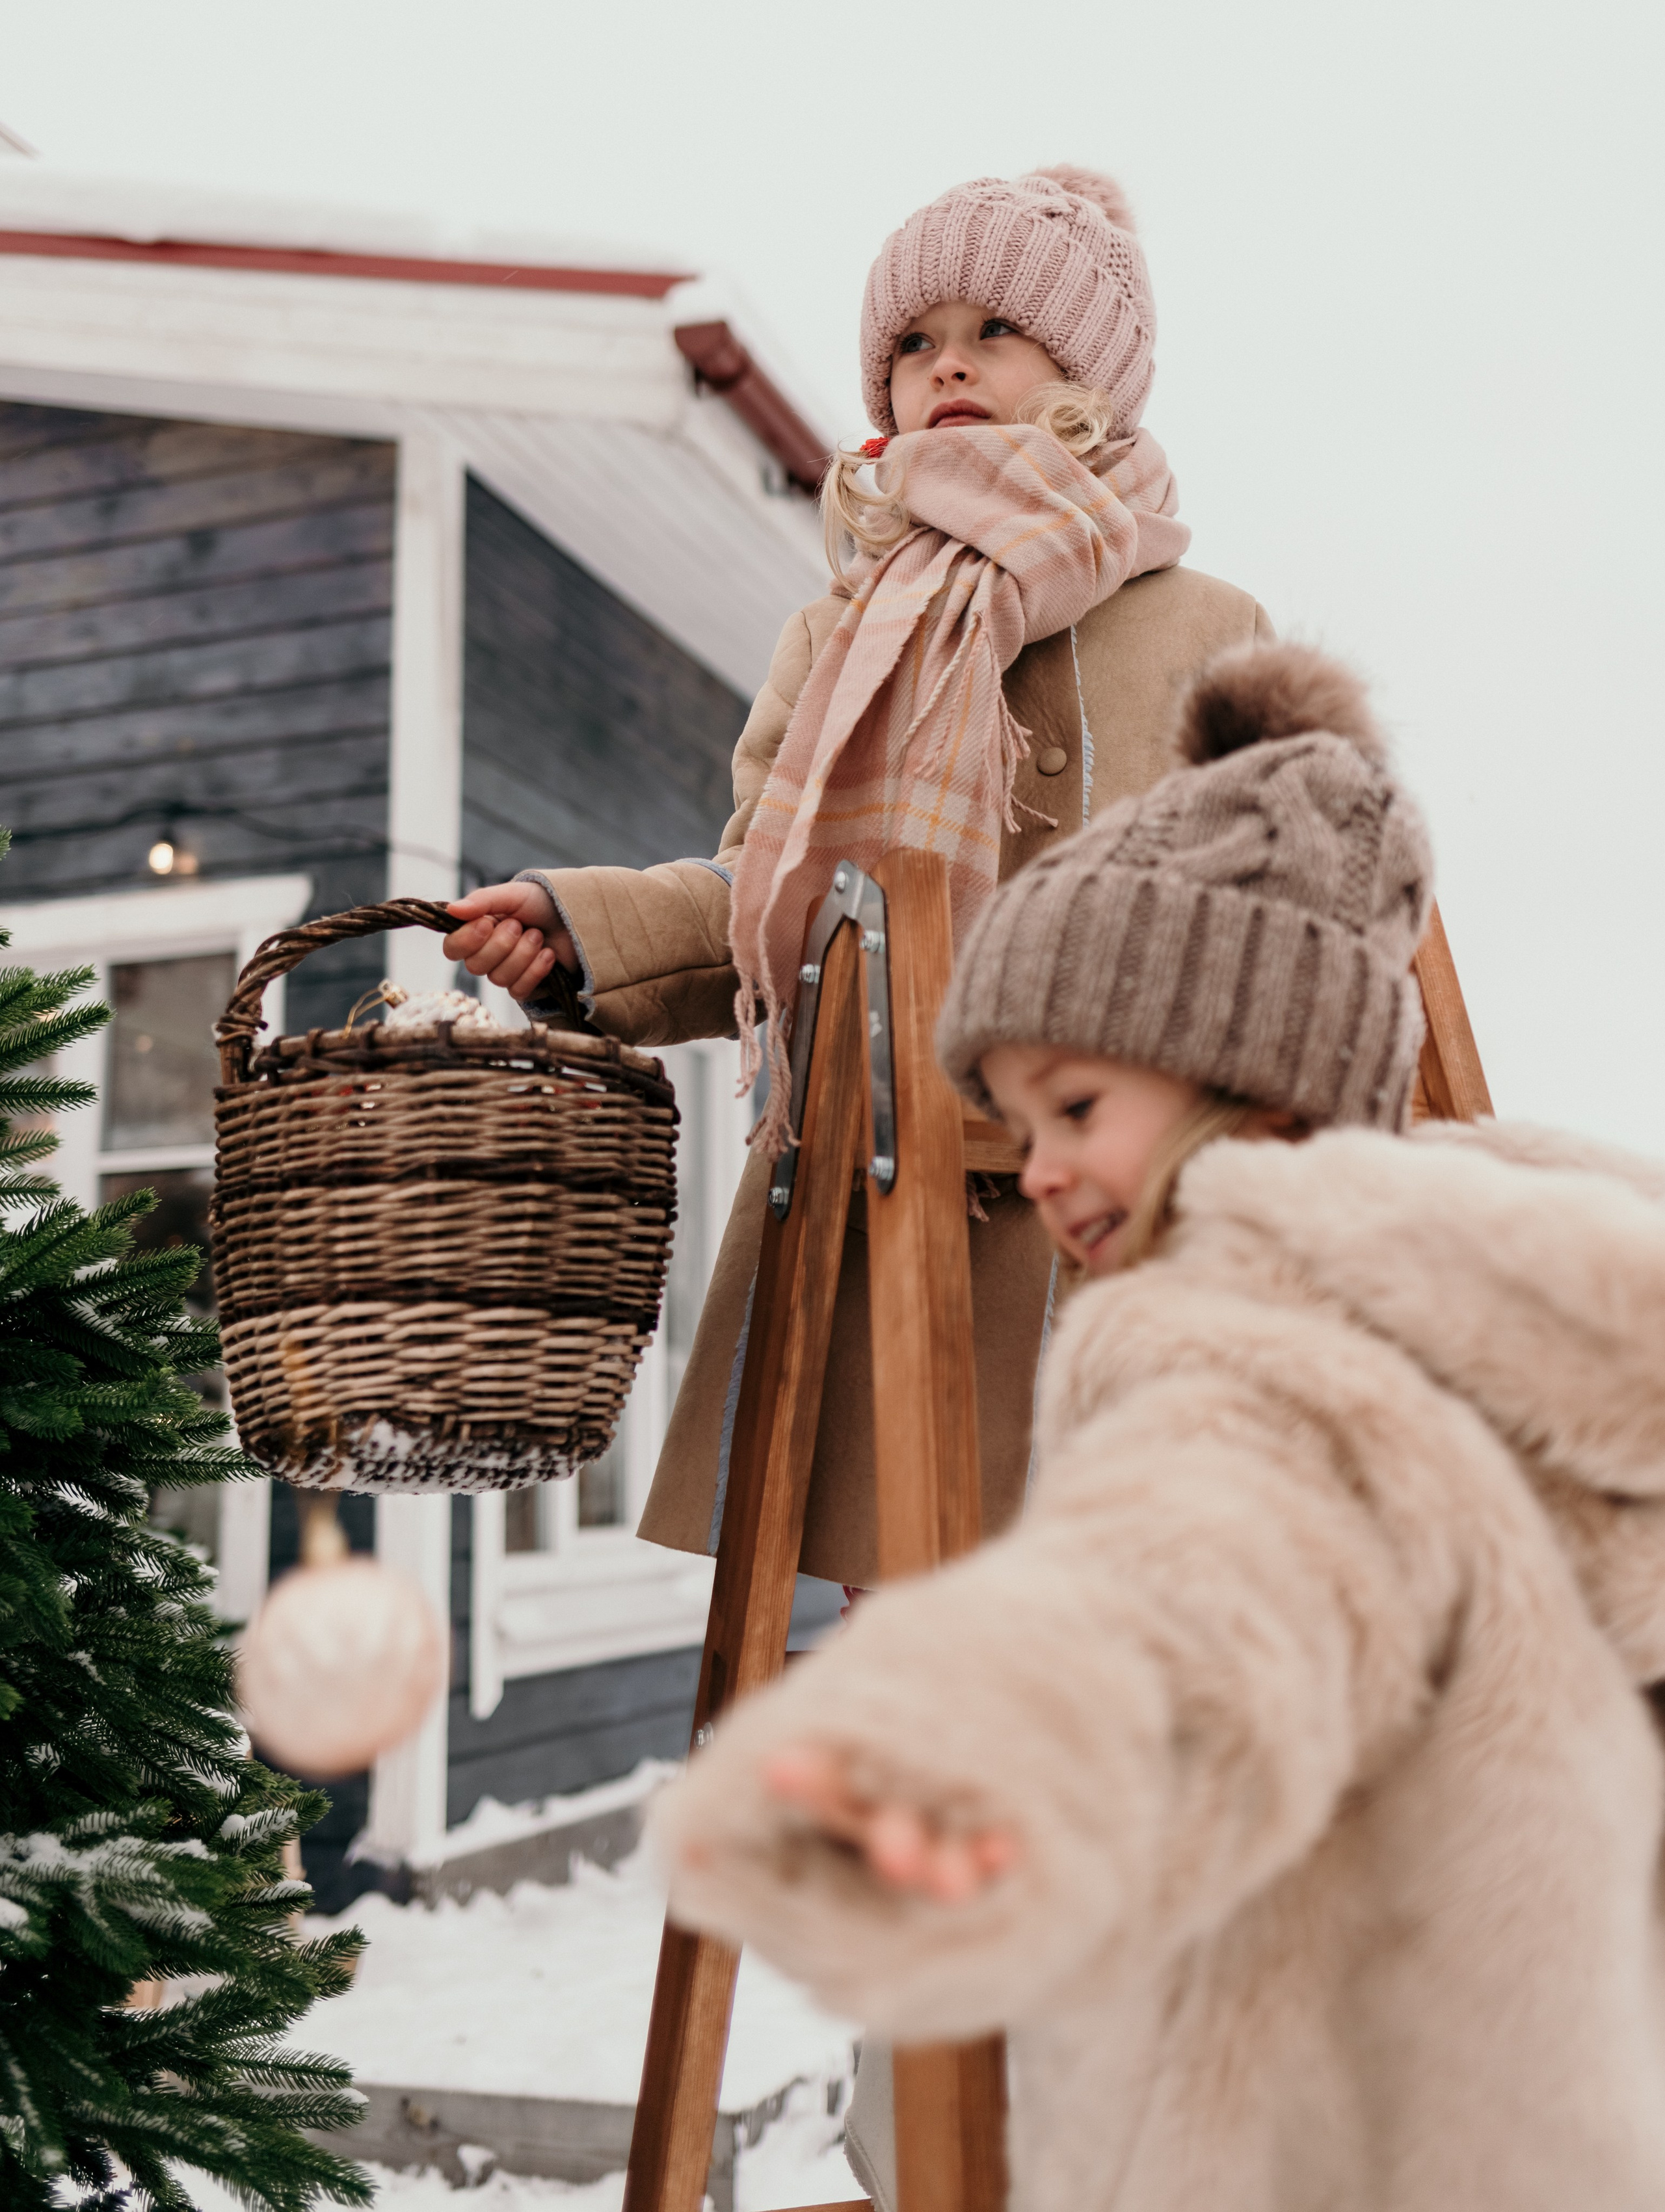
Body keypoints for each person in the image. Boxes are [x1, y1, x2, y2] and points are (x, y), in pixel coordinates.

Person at [651, 642, 1665, 2211]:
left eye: (1074, 1108)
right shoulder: (1531, 1287)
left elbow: (1192, 1598)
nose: (1037, 1168)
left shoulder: (1239, 1335)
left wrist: (970, 1760)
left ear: (1249, 1089)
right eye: (1012, 1116)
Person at [443, 165, 1273, 1589]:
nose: (943, 360)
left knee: (1132, 1624)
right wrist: (590, 935)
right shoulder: (843, 636)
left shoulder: (1206, 624)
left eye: (994, 328)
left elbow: (1276, 922)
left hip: (1119, 1225)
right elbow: (770, 904)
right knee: (916, 1639)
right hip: (883, 1206)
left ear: (1089, 371)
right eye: (909, 340)